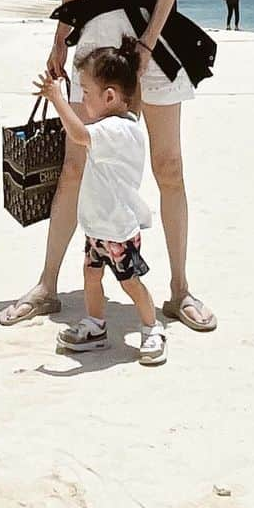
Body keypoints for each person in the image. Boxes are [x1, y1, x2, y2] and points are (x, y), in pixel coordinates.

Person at [0, 0, 218, 333]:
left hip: (155, 35)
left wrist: (145, 46)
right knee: (76, 162)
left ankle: (180, 291)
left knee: (169, 166)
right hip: (96, 31)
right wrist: (59, 41)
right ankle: (48, 285)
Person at [33, 39, 166, 366]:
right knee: (91, 277)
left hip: (118, 229)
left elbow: (78, 135)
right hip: (98, 226)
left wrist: (57, 99)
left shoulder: (117, 130)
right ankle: (95, 326)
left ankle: (152, 328)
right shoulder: (115, 125)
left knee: (130, 283)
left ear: (109, 96)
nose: (83, 100)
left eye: (86, 93)